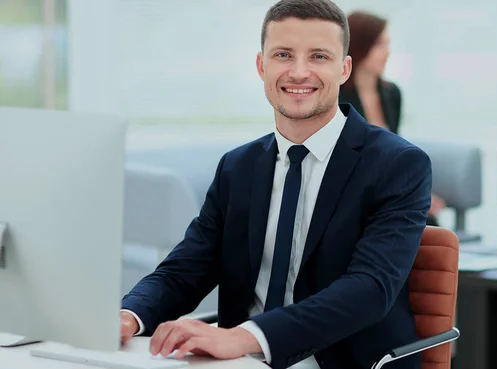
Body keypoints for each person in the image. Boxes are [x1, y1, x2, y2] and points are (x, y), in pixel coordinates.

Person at [120, 0, 432, 368]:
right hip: (240, 361)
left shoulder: (397, 165)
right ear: (261, 65)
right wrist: (128, 316)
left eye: (318, 56)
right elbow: (184, 270)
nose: (299, 72)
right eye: (283, 55)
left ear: (344, 68)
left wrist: (244, 337)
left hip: (341, 359)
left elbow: (369, 289)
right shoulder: (237, 167)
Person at [338, 11, 445, 226]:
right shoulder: (336, 97)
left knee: (428, 222)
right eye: (379, 44)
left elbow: (394, 153)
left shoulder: (391, 93)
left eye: (387, 44)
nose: (387, 52)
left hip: (388, 190)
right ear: (359, 45)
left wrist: (416, 192)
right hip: (351, 194)